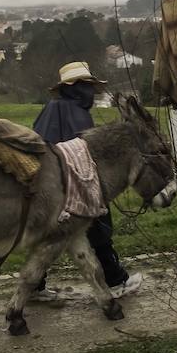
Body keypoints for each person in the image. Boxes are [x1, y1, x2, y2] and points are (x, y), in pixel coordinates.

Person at [32, 61, 144, 300]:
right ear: (78, 87)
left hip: (48, 184)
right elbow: (89, 156)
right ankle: (116, 281)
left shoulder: (51, 108)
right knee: (99, 233)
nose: (91, 92)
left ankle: (33, 287)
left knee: (47, 236)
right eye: (88, 87)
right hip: (80, 185)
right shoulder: (78, 114)